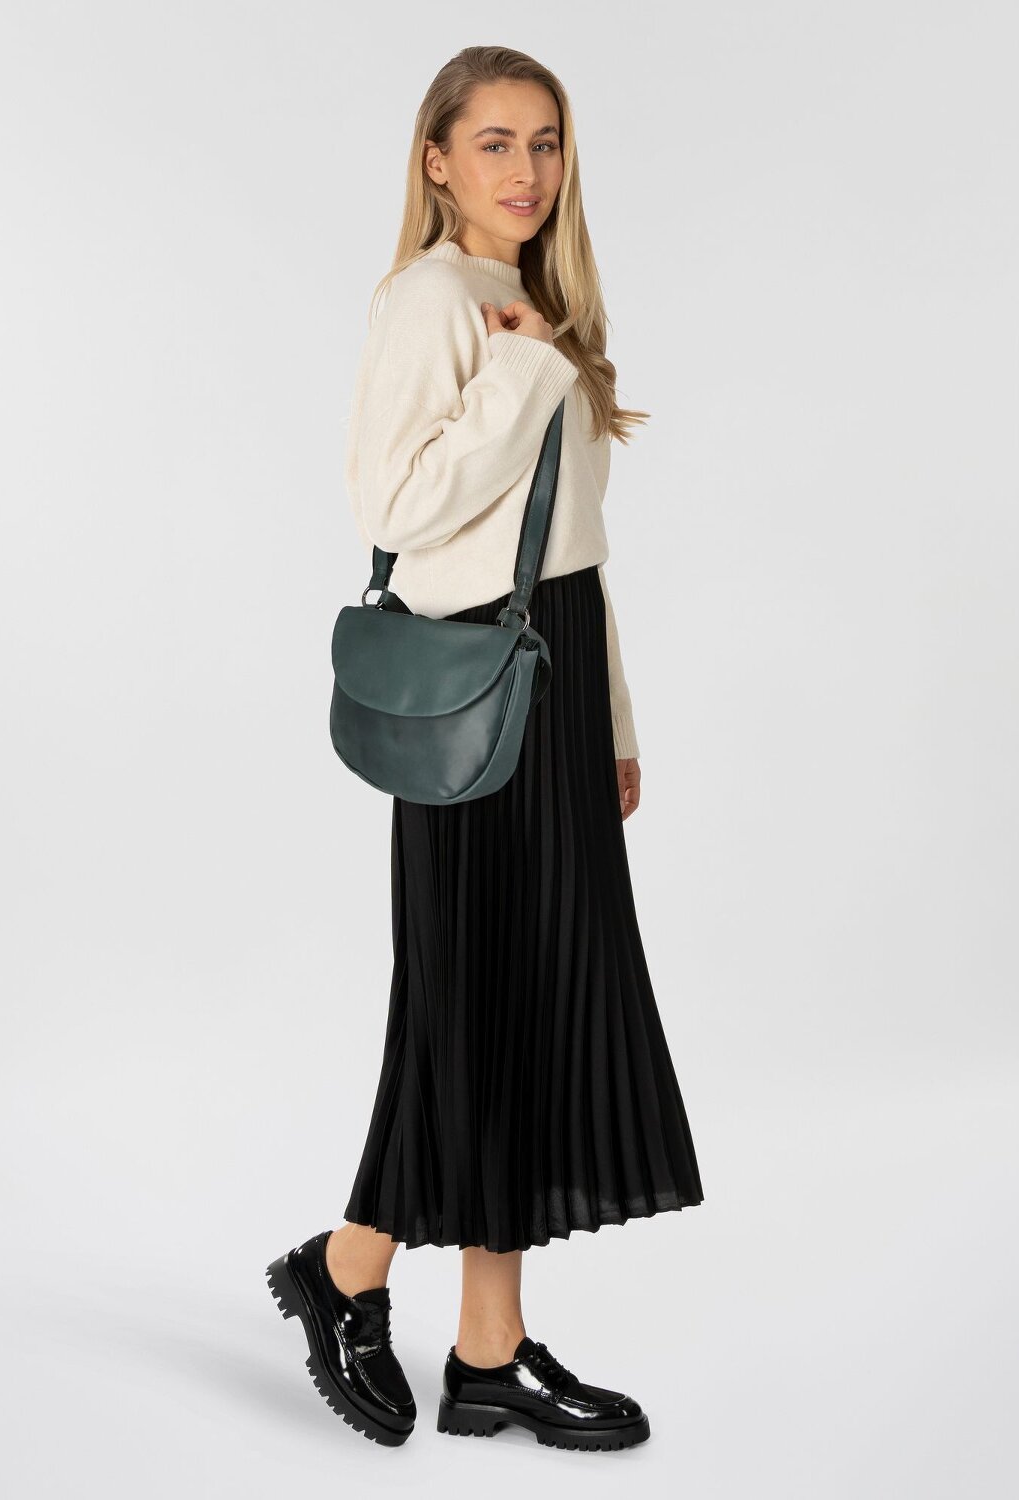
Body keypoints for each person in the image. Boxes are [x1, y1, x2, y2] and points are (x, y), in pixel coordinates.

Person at [266, 45, 704, 1452]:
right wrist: (518, 373)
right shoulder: (432, 302)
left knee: (522, 1005)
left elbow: (569, 546)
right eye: (497, 143)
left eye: (547, 142)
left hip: (551, 675)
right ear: (438, 160)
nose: (527, 170)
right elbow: (392, 503)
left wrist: (613, 721)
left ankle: (485, 1349)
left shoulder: (537, 304)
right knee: (470, 1003)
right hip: (473, 690)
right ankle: (347, 1270)